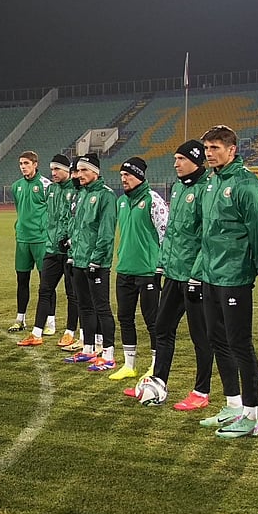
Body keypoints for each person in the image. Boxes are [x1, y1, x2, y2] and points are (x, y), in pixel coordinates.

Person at [192, 125, 258, 438]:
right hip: (211, 273)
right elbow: (207, 233)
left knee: (240, 343)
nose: (209, 154)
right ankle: (232, 405)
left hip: (234, 274)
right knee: (217, 339)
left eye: (215, 148)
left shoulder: (244, 183)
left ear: (232, 150)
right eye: (207, 148)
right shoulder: (212, 182)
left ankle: (252, 416)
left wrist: (255, 264)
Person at [127, 141, 215, 409]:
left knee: (201, 336)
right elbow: (173, 232)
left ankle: (201, 392)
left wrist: (197, 275)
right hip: (173, 274)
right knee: (162, 328)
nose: (175, 163)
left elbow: (207, 237)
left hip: (195, 276)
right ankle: (158, 382)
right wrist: (162, 264)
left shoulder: (206, 190)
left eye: (181, 158)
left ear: (196, 160)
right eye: (175, 158)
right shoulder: (177, 188)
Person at [107, 157, 167, 382]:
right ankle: (129, 364)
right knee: (125, 317)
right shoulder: (121, 201)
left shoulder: (153, 200)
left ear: (140, 176)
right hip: (125, 269)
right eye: (122, 176)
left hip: (148, 270)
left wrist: (160, 265)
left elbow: (166, 234)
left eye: (128, 175)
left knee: (153, 320)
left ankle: (154, 365)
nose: (123, 179)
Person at [17, 154, 80, 347]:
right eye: (52, 169)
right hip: (51, 248)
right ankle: (36, 333)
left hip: (70, 251)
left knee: (72, 294)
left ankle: (70, 332)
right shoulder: (51, 189)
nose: (53, 173)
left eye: (57, 170)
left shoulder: (77, 190)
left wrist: (70, 241)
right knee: (44, 290)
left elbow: (76, 220)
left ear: (67, 170)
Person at [63, 153, 118, 370]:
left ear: (96, 172)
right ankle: (89, 349)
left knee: (101, 307)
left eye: (84, 170)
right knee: (84, 306)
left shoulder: (106, 196)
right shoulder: (81, 194)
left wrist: (96, 259)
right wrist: (71, 251)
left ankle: (109, 353)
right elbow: (77, 227)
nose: (80, 174)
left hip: (97, 263)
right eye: (78, 170)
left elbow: (106, 232)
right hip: (78, 259)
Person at [9, 151, 52, 333]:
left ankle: (50, 322)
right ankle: (20, 319)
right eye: (20, 163)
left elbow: (52, 212)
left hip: (41, 240)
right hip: (23, 240)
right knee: (22, 280)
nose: (23, 166)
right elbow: (20, 209)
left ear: (35, 164)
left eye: (26, 163)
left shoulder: (46, 185)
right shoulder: (16, 186)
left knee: (46, 283)